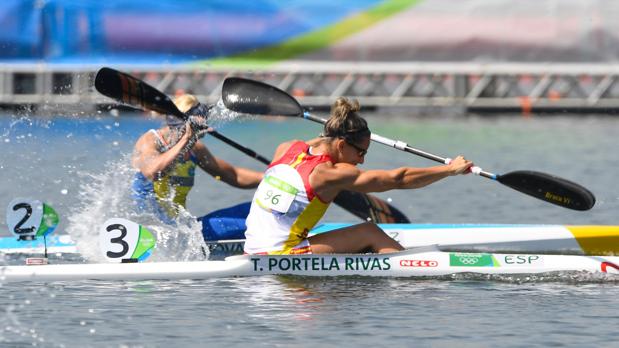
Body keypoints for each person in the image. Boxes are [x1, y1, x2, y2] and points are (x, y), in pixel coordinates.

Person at [243, 97, 473, 255]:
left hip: (252, 249)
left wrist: (330, 135)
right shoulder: (329, 174)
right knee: (369, 231)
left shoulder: (287, 148)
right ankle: (415, 272)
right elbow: (398, 179)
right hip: (280, 254)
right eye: (361, 152)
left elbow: (319, 144)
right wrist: (449, 169)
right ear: (342, 145)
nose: (361, 160)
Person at [131, 94, 263, 240]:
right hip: (150, 233)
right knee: (254, 222)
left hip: (182, 230)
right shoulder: (151, 141)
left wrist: (272, 178)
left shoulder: (195, 149)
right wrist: (187, 138)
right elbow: (152, 171)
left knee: (259, 210)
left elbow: (232, 175)